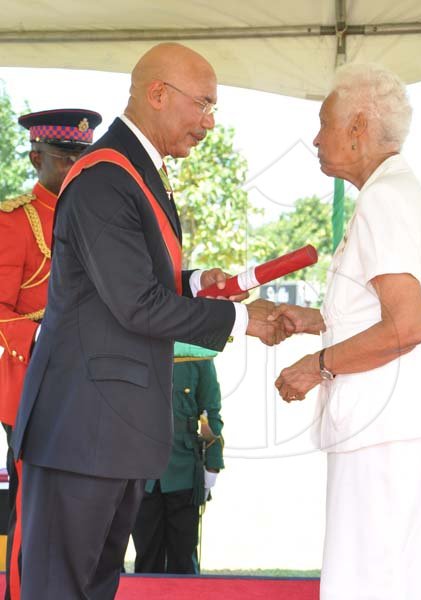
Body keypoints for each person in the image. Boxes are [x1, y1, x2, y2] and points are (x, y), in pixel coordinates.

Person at [11, 43, 288, 600]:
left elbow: (121, 285)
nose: (209, 123)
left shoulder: (135, 171)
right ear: (158, 94)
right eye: (204, 105)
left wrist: (191, 283)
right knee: (60, 588)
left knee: (91, 588)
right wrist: (243, 318)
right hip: (81, 434)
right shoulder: (105, 175)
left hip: (110, 434)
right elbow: (134, 303)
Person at [272, 64, 421, 600]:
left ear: (359, 125)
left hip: (390, 431)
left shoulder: (384, 200)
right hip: (405, 425)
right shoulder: (394, 192)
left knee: (371, 581)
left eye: (325, 124)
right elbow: (385, 313)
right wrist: (316, 322)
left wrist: (314, 367)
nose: (316, 139)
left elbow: (407, 325)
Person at [0, 108, 102, 600]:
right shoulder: (15, 223)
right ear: (36, 157)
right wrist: (43, 342)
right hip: (34, 385)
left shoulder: (103, 217)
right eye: (65, 159)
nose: (75, 169)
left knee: (83, 507)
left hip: (95, 385)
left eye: (83, 159)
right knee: (36, 507)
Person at [132, 341, 224, 574]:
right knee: (146, 555)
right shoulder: (135, 346)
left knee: (183, 557)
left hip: (183, 467)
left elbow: (210, 412)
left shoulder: (197, 355)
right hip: (141, 467)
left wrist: (212, 465)